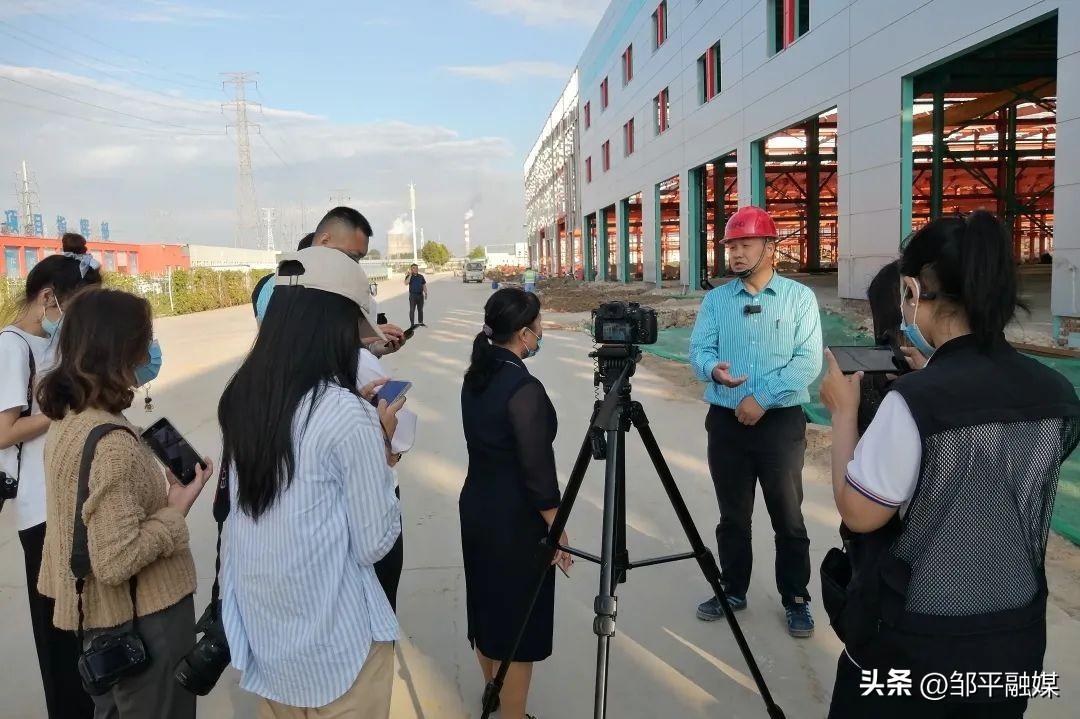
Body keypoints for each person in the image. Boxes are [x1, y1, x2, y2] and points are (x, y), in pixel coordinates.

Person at [819, 211, 1080, 718]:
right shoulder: (1055, 390)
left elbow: (859, 513)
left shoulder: (916, 401)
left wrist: (843, 415)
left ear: (914, 291)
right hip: (1013, 639)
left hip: (916, 646)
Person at [220, 246, 405, 717]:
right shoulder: (345, 414)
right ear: (336, 327)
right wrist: (378, 450)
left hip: (272, 649)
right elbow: (374, 543)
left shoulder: (243, 399)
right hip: (339, 655)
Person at [36, 287, 212, 719]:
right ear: (120, 348)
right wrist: (175, 510)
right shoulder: (112, 441)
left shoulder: (68, 422)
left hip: (98, 624)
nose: (150, 349)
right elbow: (116, 559)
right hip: (144, 623)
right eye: (145, 337)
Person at [688, 205, 822, 638]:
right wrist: (713, 371)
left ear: (770, 247)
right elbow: (699, 350)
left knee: (788, 515)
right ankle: (732, 589)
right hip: (726, 423)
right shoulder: (716, 300)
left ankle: (796, 597)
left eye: (746, 244)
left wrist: (760, 400)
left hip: (779, 424)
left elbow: (808, 362)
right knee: (733, 515)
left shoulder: (800, 299)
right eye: (732, 245)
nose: (737, 253)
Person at [0, 234, 101, 719]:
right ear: (48, 298)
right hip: (39, 511)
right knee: (57, 638)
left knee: (78, 631)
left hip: (66, 500)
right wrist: (66, 406)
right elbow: (4, 431)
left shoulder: (47, 342)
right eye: (73, 307)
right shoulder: (12, 346)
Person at [460, 287, 570, 719]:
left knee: (488, 612)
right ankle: (512, 714)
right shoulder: (522, 387)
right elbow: (537, 472)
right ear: (524, 333)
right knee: (517, 627)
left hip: (478, 508)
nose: (541, 334)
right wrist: (556, 525)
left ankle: (494, 696)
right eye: (538, 327)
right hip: (515, 520)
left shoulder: (479, 374)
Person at [251, 210, 406, 354]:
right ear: (322, 243)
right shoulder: (302, 288)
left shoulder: (273, 284)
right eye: (351, 256)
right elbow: (293, 348)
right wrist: (359, 339)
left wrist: (372, 346)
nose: (354, 265)